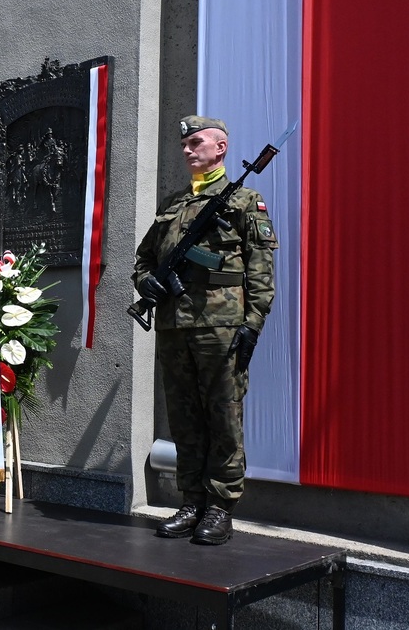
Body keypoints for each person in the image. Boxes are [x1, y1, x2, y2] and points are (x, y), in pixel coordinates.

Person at [133, 115, 277, 546]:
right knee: (185, 418)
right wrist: (148, 283)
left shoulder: (244, 202)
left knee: (224, 415)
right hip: (175, 327)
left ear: (221, 148)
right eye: (184, 144)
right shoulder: (172, 205)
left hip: (221, 327)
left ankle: (220, 507)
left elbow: (261, 272)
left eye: (196, 142)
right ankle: (192, 501)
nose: (187, 149)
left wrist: (252, 326)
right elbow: (143, 260)